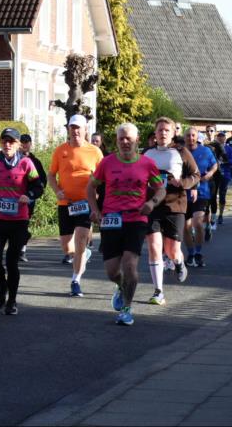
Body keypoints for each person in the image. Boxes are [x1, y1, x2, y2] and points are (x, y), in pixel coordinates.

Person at [87, 123, 166, 326]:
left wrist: (151, 202)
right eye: (121, 138)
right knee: (112, 271)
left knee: (130, 264)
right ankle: (121, 286)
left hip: (136, 219)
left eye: (128, 138)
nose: (124, 142)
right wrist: (95, 210)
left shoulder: (147, 163)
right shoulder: (107, 162)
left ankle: (126, 309)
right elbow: (91, 187)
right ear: (116, 140)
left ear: (137, 140)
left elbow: (160, 189)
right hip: (111, 220)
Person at [0, 128, 43, 314]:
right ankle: (2, 286)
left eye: (11, 141)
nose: (7, 145)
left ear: (17, 144)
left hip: (18, 220)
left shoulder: (26, 163)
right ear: (1, 143)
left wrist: (28, 195)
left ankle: (12, 301)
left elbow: (38, 186)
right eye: (4, 141)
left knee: (12, 261)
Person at [142, 118, 199, 305]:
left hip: (175, 205)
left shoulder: (181, 153)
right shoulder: (147, 153)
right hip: (152, 206)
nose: (163, 133)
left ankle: (179, 262)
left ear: (173, 133)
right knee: (154, 247)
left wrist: (181, 183)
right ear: (155, 133)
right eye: (160, 130)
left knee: (172, 250)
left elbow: (196, 175)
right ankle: (158, 291)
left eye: (167, 130)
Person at [47, 114, 104, 297]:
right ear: (69, 130)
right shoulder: (60, 150)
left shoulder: (95, 151)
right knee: (67, 247)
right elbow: (51, 175)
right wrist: (57, 191)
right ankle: (82, 254)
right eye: (72, 128)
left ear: (85, 129)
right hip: (66, 203)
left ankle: (75, 280)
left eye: (79, 127)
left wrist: (97, 199)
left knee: (80, 240)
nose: (76, 131)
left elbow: (103, 177)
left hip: (85, 203)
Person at [183, 128, 218, 268]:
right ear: (184, 137)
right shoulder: (179, 152)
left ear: (197, 137)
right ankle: (190, 254)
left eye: (193, 135)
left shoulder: (205, 151)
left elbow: (215, 164)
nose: (190, 138)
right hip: (183, 194)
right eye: (188, 135)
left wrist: (210, 173)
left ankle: (198, 253)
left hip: (202, 192)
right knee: (185, 227)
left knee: (197, 223)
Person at [17, 133, 46, 262]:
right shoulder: (13, 158)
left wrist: (33, 194)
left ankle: (22, 250)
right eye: (22, 142)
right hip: (13, 196)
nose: (24, 144)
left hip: (28, 198)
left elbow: (42, 181)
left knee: (24, 224)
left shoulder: (35, 162)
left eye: (27, 142)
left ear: (30, 144)